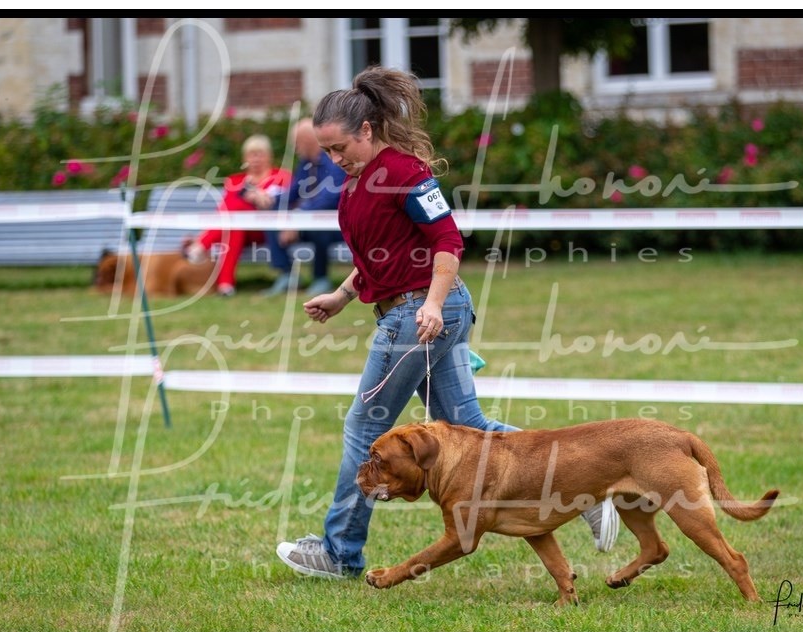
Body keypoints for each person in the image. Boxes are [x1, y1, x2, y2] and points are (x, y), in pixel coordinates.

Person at [276, 66, 618, 580]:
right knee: (473, 429)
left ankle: (339, 553)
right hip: (418, 309)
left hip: (422, 315)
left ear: (366, 131)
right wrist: (344, 295)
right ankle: (581, 488)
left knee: (362, 427)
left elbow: (447, 242)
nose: (334, 158)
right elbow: (382, 255)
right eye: (326, 151)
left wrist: (431, 305)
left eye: (339, 147)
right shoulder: (360, 179)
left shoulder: (406, 173)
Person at [184, 135, 291, 296]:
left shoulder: (282, 176)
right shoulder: (234, 180)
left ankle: (201, 245)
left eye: (260, 154)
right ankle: (226, 286)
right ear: (244, 158)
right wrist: (252, 196)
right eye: (251, 154)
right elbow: (223, 211)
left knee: (235, 215)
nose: (255, 159)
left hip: (267, 230)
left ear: (269, 156)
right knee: (234, 226)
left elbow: (282, 201)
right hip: (240, 230)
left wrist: (255, 195)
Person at [261, 118, 348, 297]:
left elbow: (329, 198)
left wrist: (297, 218)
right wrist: (268, 199)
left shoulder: (334, 162)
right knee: (273, 220)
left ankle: (320, 278)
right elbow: (292, 193)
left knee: (319, 229)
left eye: (297, 144)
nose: (296, 149)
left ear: (307, 141)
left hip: (339, 226)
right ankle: (288, 275)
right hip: (305, 221)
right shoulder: (305, 164)